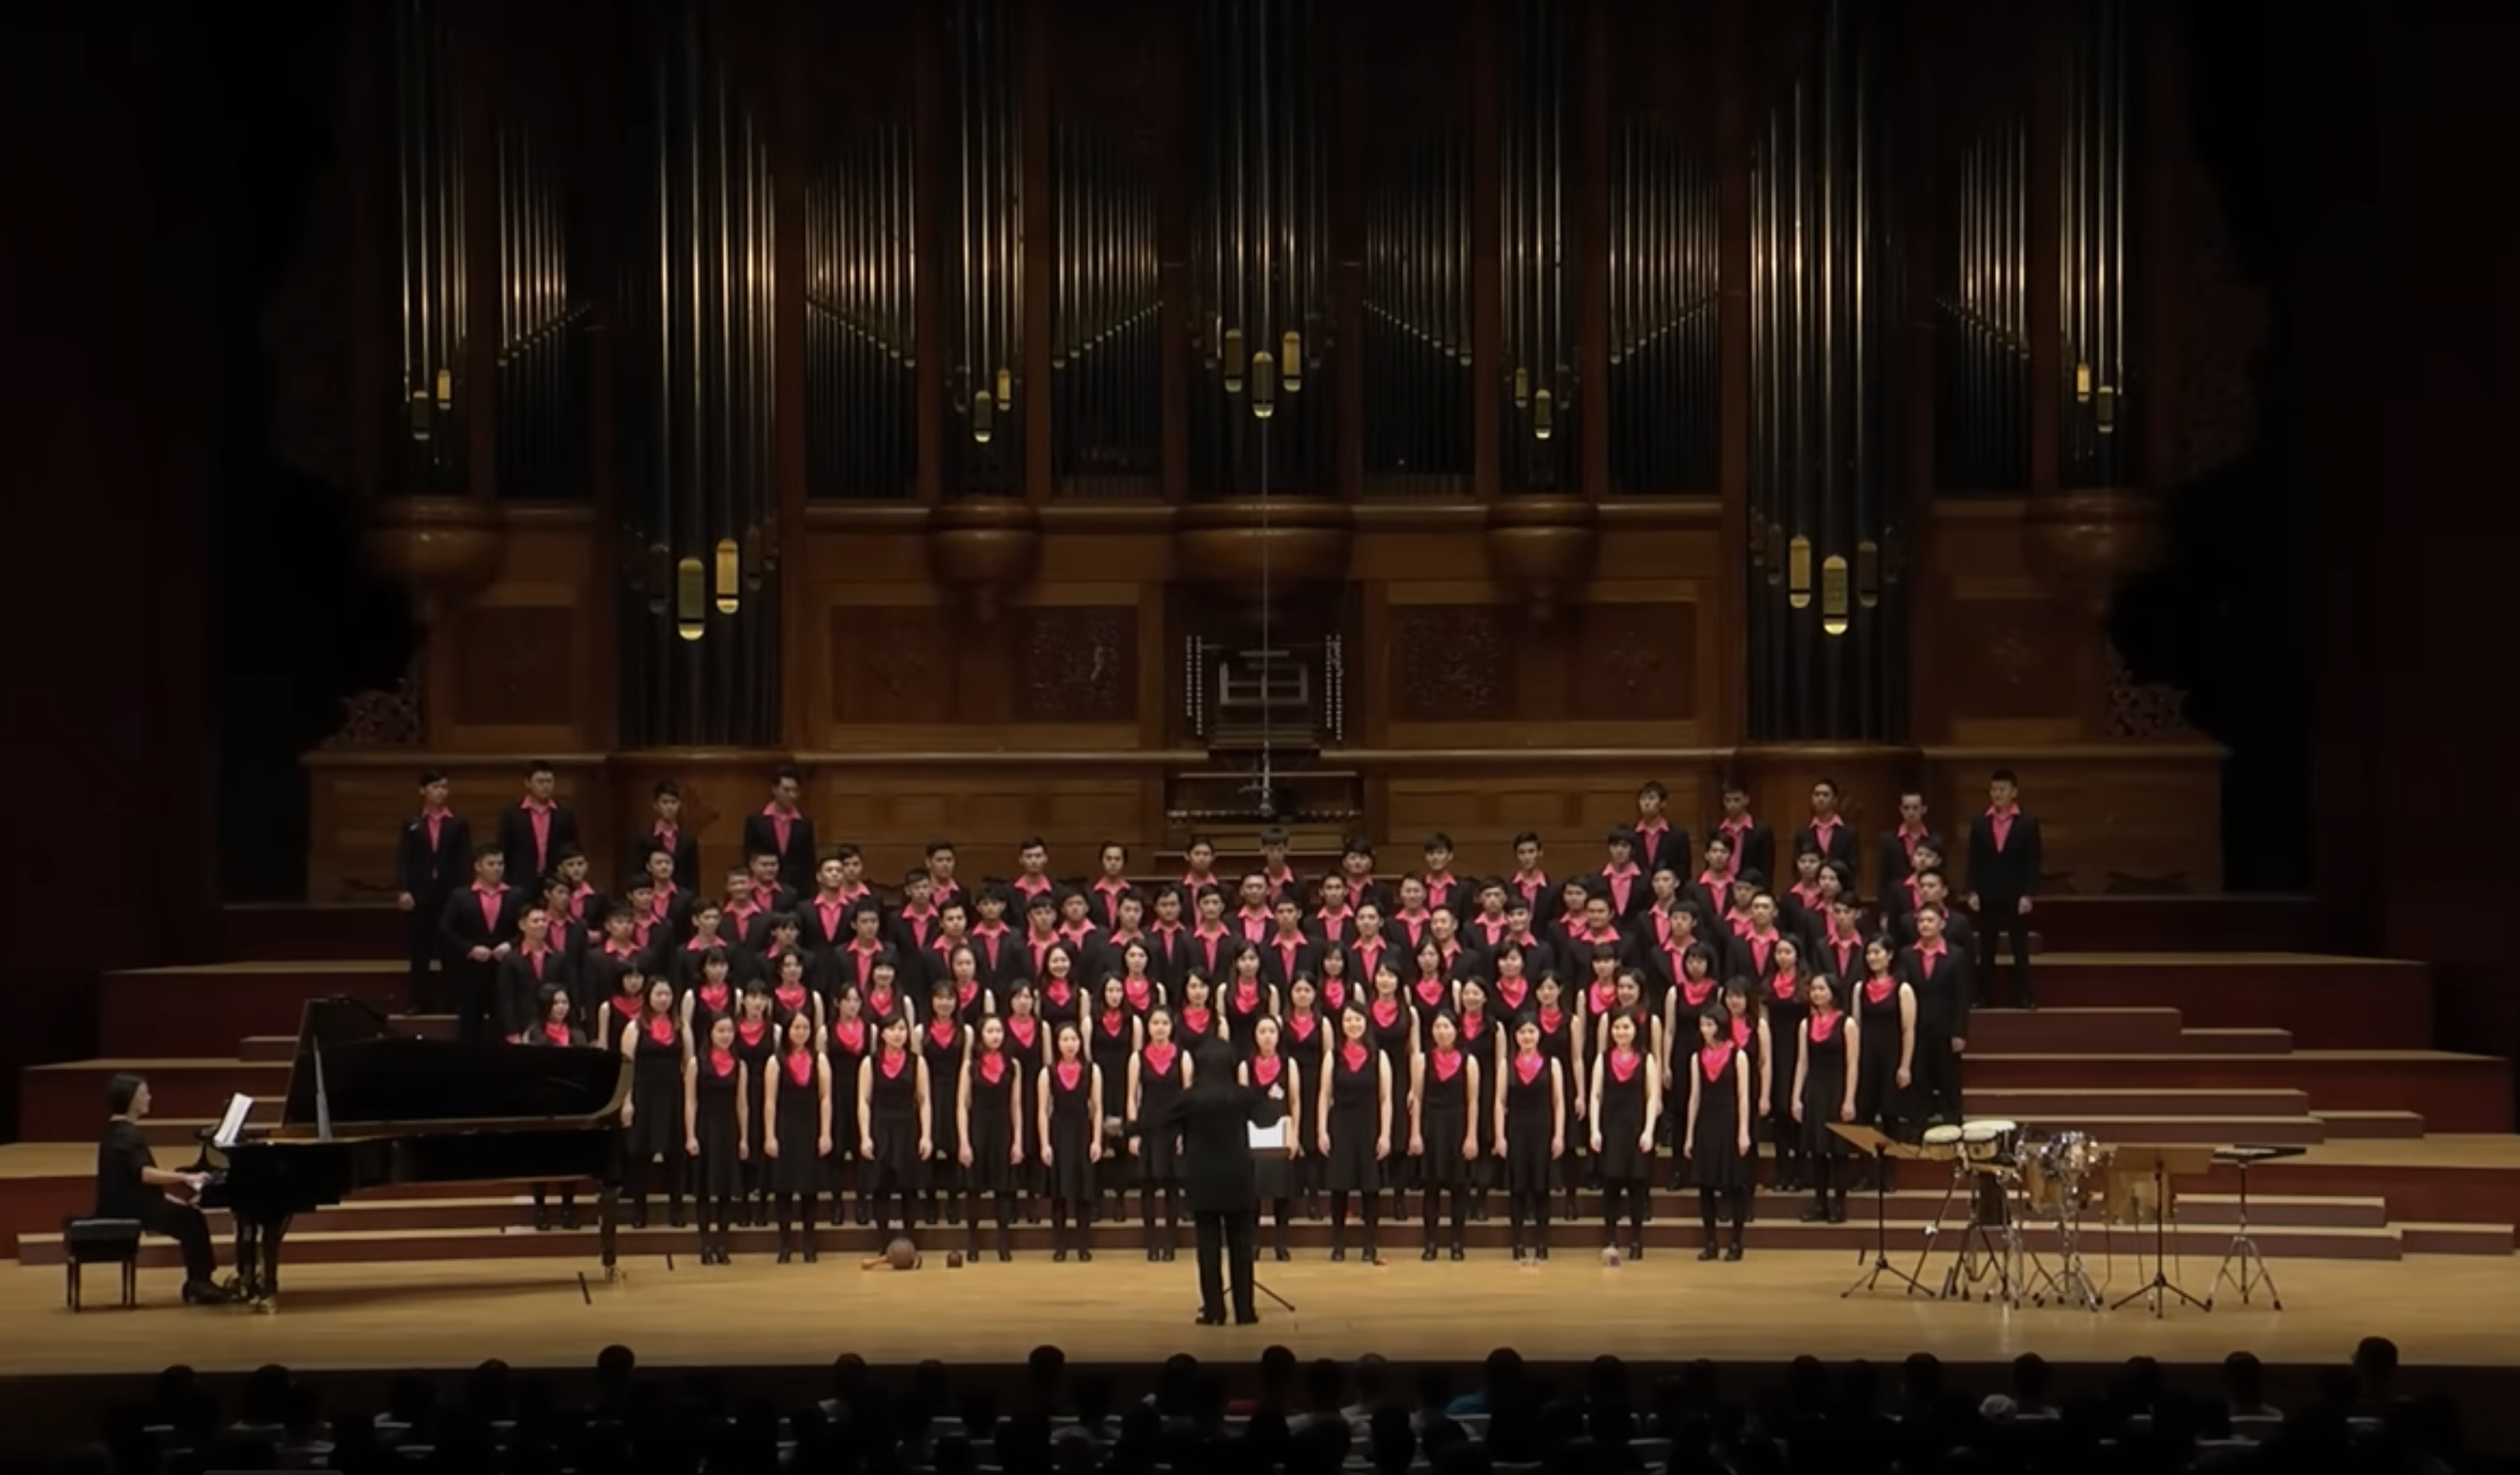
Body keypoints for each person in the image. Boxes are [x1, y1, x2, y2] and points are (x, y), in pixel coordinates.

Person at [1146, 1036, 1286, 1327]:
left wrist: (1125, 1128)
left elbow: (1156, 1123)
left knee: (1207, 1247)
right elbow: (1268, 1120)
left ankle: (1213, 1312)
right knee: (1241, 1247)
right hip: (1237, 1179)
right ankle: (1245, 1312)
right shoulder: (1241, 1095)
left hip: (1202, 1180)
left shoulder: (1190, 1098)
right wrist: (1272, 1098)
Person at [95, 1073, 228, 1303]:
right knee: (191, 1220)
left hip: (125, 1201)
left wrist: (163, 1197)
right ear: (131, 1099)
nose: (149, 1098)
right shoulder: (127, 1135)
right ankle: (200, 1282)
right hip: (130, 1208)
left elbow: (127, 1178)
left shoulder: (116, 1131)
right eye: (144, 1094)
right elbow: (144, 1173)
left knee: (187, 1216)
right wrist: (186, 1177)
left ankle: (198, 1281)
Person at [1966, 768, 2042, 1009]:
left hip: (2015, 895)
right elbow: (1973, 859)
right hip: (1987, 895)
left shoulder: (2027, 823)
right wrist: (1972, 890)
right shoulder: (1979, 823)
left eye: (2003, 789)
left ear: (2014, 792)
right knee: (1986, 950)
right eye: (1994, 789)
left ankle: (2024, 996)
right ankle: (1983, 996)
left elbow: (2033, 860)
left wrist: (2028, 894)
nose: (1998, 794)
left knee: (2020, 948)